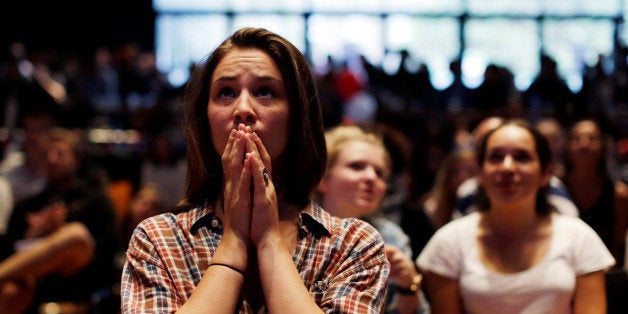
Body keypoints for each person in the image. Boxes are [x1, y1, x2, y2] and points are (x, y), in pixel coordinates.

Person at [121, 27, 390, 313]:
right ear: (206, 118)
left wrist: (269, 240)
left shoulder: (354, 244)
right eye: (226, 92)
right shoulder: (158, 240)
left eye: (265, 91)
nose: (243, 108)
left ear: (297, 116)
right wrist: (234, 239)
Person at [416, 119, 615, 313]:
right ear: (481, 173)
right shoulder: (449, 241)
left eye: (522, 157)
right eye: (496, 157)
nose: (507, 167)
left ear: (545, 173)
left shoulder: (579, 237)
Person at [0, 127, 120, 313]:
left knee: (75, 235)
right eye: (47, 154)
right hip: (37, 281)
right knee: (11, 291)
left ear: (76, 160)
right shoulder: (28, 204)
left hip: (81, 278)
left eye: (60, 154)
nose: (52, 159)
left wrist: (58, 233)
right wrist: (34, 236)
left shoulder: (95, 201)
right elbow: (9, 249)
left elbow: (107, 250)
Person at [314, 124, 424, 314]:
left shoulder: (391, 237)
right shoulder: (295, 227)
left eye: (379, 173)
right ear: (323, 178)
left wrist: (408, 285)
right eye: (356, 166)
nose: (371, 177)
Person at [562, 118, 628, 267]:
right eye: (576, 138)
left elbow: (616, 248)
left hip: (603, 270)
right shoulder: (555, 189)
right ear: (567, 147)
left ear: (603, 146)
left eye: (592, 138)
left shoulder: (619, 195)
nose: (584, 144)